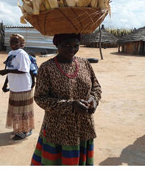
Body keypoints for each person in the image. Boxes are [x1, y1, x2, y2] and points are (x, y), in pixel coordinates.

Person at [30, 33, 102, 165]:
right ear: (57, 45)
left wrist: (94, 100)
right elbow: (41, 98)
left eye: (76, 45)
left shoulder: (84, 63)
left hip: (84, 126)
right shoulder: (47, 68)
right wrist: (71, 105)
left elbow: (96, 87)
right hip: (58, 129)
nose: (72, 49)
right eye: (67, 45)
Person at [0, 34, 34, 140]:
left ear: (21, 44)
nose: (13, 44)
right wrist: (5, 84)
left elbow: (24, 70)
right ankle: (20, 129)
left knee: (23, 110)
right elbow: (9, 68)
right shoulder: (11, 53)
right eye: (11, 42)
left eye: (16, 42)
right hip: (15, 86)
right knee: (16, 110)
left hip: (23, 86)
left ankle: (25, 131)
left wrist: (7, 71)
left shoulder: (22, 54)